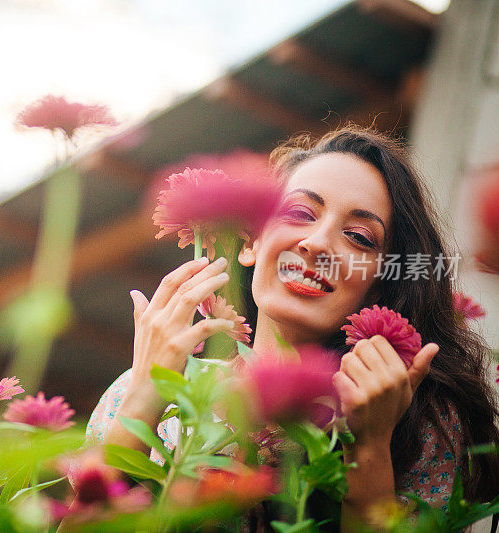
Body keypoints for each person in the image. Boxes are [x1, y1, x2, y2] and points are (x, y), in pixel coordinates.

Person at [86, 126, 499, 529]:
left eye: (358, 237)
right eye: (300, 213)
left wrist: (370, 448)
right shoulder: (134, 391)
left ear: (382, 283)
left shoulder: (415, 419)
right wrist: (142, 399)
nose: (317, 243)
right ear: (251, 243)